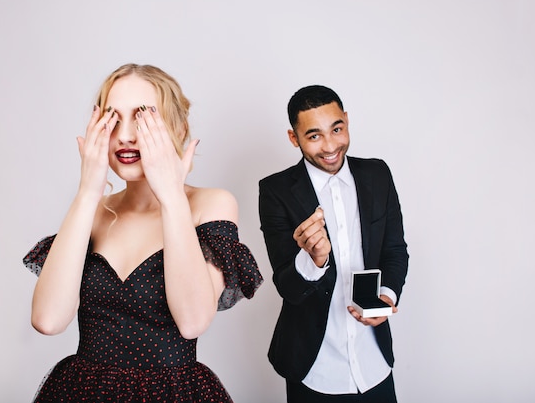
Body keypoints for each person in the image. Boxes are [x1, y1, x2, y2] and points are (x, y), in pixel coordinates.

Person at [22, 63, 263, 403]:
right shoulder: (92, 212)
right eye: (113, 118)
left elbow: (193, 322)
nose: (124, 135)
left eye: (143, 117)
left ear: (177, 129)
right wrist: (88, 192)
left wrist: (171, 197)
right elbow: (47, 320)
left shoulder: (210, 204)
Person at [258, 85, 408, 403]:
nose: (330, 146)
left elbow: (394, 249)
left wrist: (387, 295)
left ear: (347, 121)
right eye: (314, 136)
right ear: (293, 138)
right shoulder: (276, 191)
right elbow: (288, 287)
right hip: (314, 367)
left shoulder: (378, 174)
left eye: (336, 129)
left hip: (374, 363)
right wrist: (312, 259)